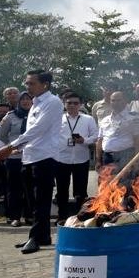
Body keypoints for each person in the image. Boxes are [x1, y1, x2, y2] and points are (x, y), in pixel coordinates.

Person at [0, 70, 64, 254]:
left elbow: (39, 130)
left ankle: (34, 238)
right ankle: (43, 236)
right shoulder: (35, 103)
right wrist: (19, 147)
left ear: (45, 85)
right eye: (26, 83)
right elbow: (32, 133)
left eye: (31, 83)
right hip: (30, 156)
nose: (27, 87)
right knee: (32, 201)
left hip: (45, 158)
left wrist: (10, 146)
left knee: (41, 200)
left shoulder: (53, 102)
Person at [54, 92, 99, 225]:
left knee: (80, 191)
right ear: (64, 104)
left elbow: (96, 136)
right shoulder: (58, 119)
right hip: (61, 158)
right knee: (62, 190)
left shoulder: (88, 119)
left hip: (81, 158)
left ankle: (80, 217)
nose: (72, 105)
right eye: (69, 103)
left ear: (80, 105)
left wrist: (84, 140)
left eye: (75, 103)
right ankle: (62, 216)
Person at [0, 92, 32, 227]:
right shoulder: (10, 116)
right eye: (22, 99)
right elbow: (1, 135)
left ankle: (30, 216)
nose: (25, 101)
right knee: (14, 188)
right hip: (14, 157)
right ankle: (15, 217)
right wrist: (11, 146)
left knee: (30, 188)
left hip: (31, 157)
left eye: (28, 99)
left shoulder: (37, 116)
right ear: (18, 101)